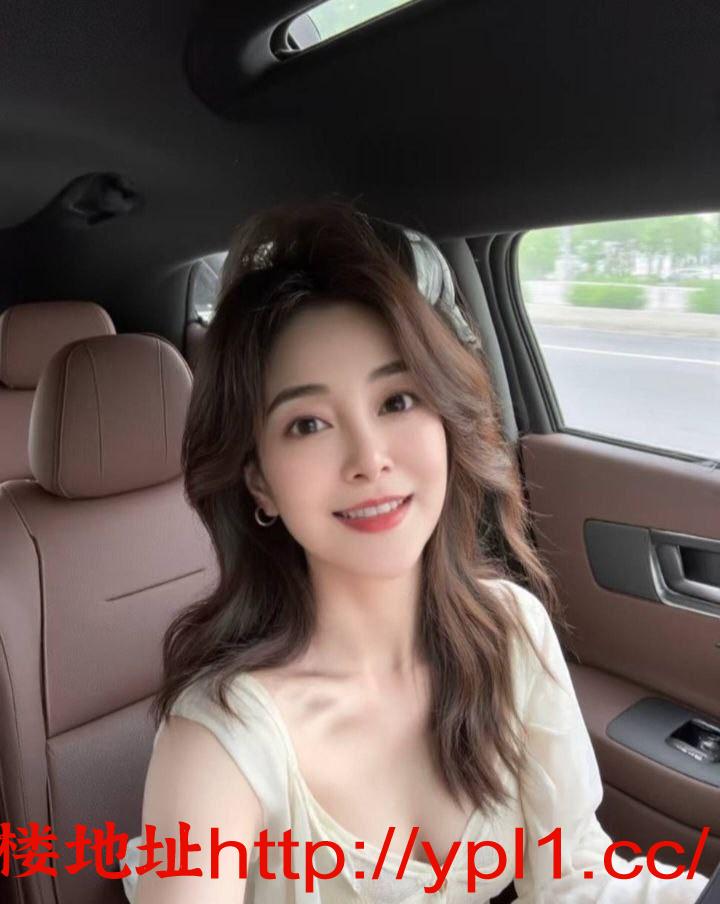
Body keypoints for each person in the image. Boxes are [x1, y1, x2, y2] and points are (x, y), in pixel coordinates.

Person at [120, 199, 710, 903]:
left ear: (445, 422)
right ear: (260, 481)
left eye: (397, 401)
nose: (369, 459)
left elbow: (575, 876)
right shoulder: (218, 742)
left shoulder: (511, 632)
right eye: (308, 424)